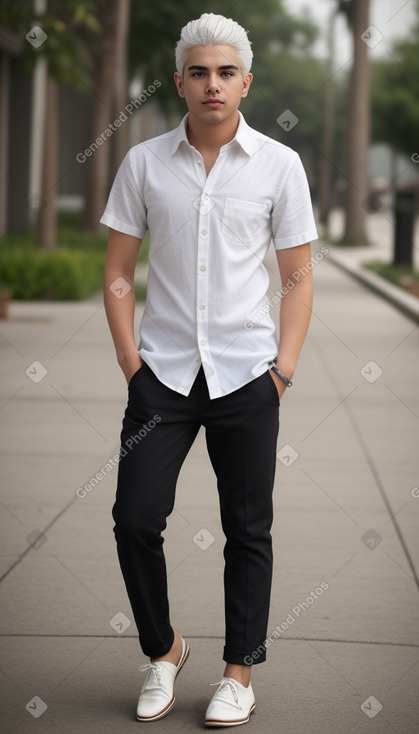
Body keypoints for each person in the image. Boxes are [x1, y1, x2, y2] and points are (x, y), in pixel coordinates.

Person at [101, 12, 318, 728]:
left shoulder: (279, 167)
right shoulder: (142, 163)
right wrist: (133, 367)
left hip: (245, 377)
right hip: (161, 375)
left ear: (245, 81)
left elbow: (296, 276)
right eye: (199, 71)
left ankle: (237, 672)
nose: (212, 84)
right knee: (134, 518)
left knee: (247, 529)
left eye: (226, 72)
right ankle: (164, 651)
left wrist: (280, 369)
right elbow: (119, 275)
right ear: (179, 82)